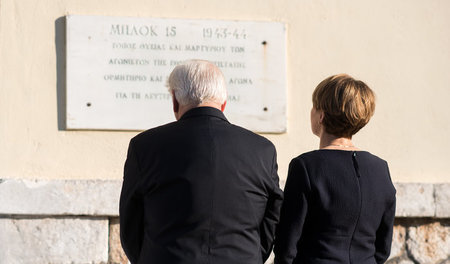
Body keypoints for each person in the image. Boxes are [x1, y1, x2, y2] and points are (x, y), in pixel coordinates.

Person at [120, 59, 283, 264]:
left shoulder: (144, 146)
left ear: (175, 102)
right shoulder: (262, 149)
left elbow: (130, 225)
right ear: (224, 103)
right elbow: (272, 218)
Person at [274, 74, 396, 264]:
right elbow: (383, 246)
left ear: (321, 115)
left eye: (314, 107)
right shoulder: (380, 168)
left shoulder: (306, 166)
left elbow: (287, 244)